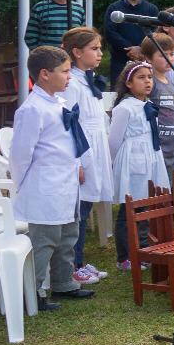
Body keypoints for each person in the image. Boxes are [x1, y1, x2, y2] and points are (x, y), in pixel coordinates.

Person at [12, 45, 95, 307]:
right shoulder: (32, 108)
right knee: (44, 241)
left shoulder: (59, 103)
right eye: (64, 71)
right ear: (45, 74)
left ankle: (63, 283)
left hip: (65, 183)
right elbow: (21, 153)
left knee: (67, 237)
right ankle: (32, 292)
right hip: (44, 185)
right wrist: (22, 183)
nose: (69, 76)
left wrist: (77, 164)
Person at [61, 28, 113, 285]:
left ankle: (79, 261)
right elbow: (70, 124)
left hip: (96, 146)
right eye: (94, 48)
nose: (100, 53)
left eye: (100, 48)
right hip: (84, 148)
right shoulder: (72, 84)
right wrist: (78, 161)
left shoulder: (88, 79)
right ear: (77, 52)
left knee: (88, 203)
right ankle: (72, 263)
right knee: (79, 209)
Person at [109, 61, 168, 270]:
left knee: (144, 206)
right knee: (130, 209)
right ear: (129, 83)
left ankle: (143, 249)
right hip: (133, 160)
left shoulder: (147, 104)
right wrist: (114, 164)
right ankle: (125, 256)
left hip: (149, 157)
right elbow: (114, 141)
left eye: (149, 77)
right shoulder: (125, 108)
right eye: (141, 78)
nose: (147, 81)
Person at [101, 0, 160, 82]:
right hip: (120, 61)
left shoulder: (151, 9)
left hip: (145, 60)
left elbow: (156, 34)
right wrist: (130, 48)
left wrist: (141, 49)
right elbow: (110, 33)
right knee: (118, 94)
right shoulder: (114, 8)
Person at [139, 33, 174, 175]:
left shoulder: (169, 82)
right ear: (148, 58)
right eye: (163, 55)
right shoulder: (150, 83)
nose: (169, 59)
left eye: (171, 54)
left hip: (172, 143)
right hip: (157, 146)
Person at [24, 0, 89, 51]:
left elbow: (82, 37)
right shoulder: (40, 8)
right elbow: (30, 37)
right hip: (47, 61)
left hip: (72, 59)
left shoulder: (79, 9)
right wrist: (41, 55)